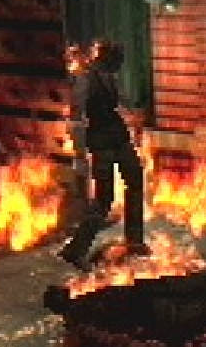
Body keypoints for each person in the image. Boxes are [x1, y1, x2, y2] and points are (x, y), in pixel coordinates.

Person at [59, 39, 147, 267]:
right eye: (117, 61)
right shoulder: (86, 80)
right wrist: (80, 155)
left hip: (119, 138)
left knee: (135, 180)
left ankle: (135, 240)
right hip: (101, 144)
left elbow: (122, 101)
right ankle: (75, 250)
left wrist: (134, 115)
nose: (119, 66)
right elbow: (76, 117)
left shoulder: (109, 77)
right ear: (107, 59)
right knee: (103, 199)